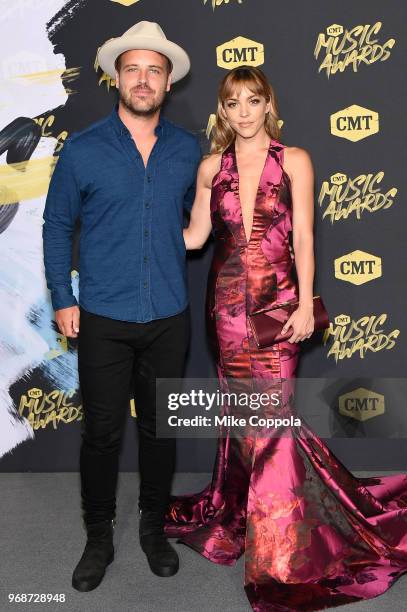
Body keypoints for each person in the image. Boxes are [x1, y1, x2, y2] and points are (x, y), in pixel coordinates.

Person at [163, 66, 407, 611]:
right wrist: (142, 225)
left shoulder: (293, 159)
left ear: (267, 104)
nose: (244, 112)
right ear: (222, 111)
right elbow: (197, 235)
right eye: (233, 103)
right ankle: (249, 517)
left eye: (253, 101)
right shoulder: (210, 168)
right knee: (247, 425)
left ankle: (284, 554)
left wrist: (304, 303)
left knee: (272, 421)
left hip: (278, 309)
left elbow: (302, 234)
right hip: (225, 311)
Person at [42, 21, 201, 591]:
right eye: (132, 68)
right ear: (115, 79)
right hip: (103, 317)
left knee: (161, 432)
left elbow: (199, 219)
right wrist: (63, 297)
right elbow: (57, 224)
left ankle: (153, 530)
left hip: (168, 316)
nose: (142, 78)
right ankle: (99, 537)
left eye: (153, 70)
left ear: (166, 83)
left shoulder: (188, 150)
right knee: (103, 434)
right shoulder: (83, 149)